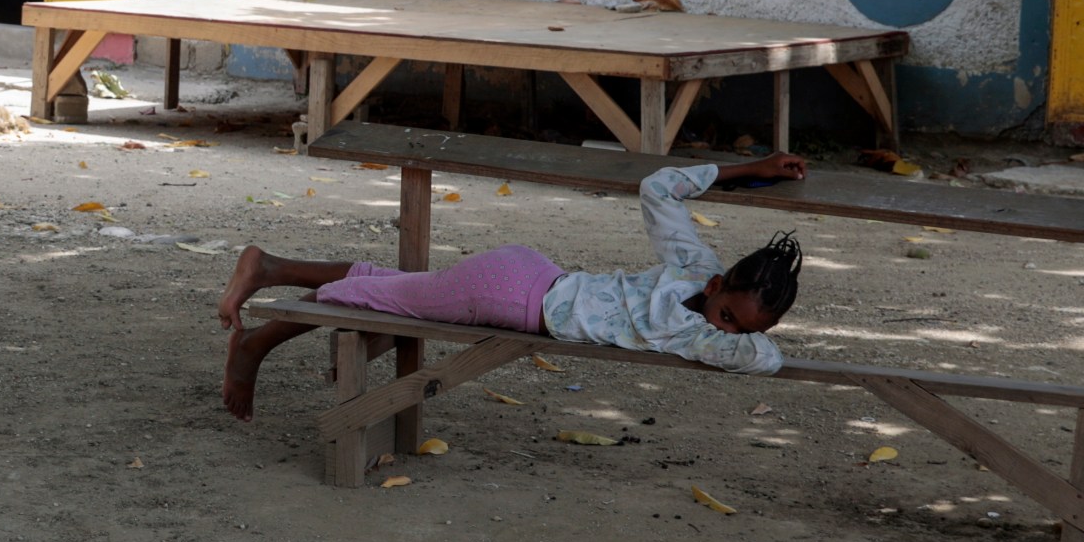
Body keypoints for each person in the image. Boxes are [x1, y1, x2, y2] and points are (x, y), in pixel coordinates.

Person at [217, 153, 809, 421]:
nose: (722, 331)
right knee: (380, 299)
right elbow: (765, 359)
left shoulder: (694, 269)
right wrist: (749, 165)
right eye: (727, 315)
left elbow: (662, 187)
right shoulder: (696, 329)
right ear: (715, 284)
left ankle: (270, 267)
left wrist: (750, 170)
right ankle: (257, 342)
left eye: (739, 329)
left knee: (390, 287)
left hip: (525, 275)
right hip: (505, 296)